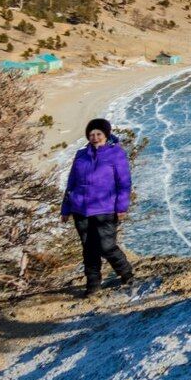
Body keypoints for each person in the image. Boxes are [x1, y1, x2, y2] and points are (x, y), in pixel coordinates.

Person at [60, 117, 134, 296]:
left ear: (106, 134)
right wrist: (66, 208)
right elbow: (71, 182)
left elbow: (123, 182)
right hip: (80, 209)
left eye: (98, 133)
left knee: (107, 246)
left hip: (105, 208)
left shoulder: (116, 153)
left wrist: (121, 207)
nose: (94, 137)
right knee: (88, 249)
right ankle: (93, 284)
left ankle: (126, 273)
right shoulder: (81, 154)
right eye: (91, 134)